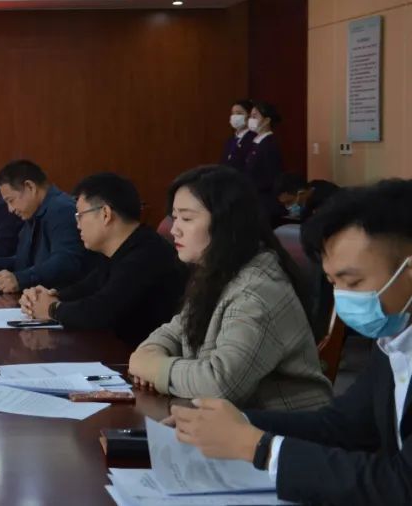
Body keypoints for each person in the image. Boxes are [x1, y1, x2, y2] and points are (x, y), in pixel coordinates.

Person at [167, 178, 412, 504]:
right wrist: (237, 423)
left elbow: (402, 485)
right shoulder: (394, 339)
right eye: (333, 283)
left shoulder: (259, 282)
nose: (342, 299)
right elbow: (344, 426)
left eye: (353, 282)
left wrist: (260, 448)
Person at [127, 165, 331, 410]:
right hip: (234, 420)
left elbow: (220, 385)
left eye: (187, 218)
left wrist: (154, 368)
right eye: (175, 217)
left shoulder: (256, 291)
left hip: (281, 426)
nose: (174, 230)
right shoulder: (218, 272)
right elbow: (177, 330)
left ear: (226, 223)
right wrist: (148, 355)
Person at [19, 173, 186, 348]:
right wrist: (48, 296)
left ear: (105, 214)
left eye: (80, 215)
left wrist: (52, 309)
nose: (77, 225)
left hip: (138, 356)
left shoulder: (147, 254)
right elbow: (87, 287)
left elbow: (101, 311)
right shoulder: (120, 250)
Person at [0, 159, 86, 293]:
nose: (10, 209)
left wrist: (20, 279)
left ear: (30, 187)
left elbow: (66, 262)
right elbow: (23, 262)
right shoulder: (33, 212)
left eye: (11, 200)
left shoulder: (61, 209)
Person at [243, 100, 284, 222]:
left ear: (266, 120)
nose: (251, 120)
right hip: (253, 199)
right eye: (250, 116)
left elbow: (272, 176)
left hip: (264, 202)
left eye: (255, 116)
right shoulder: (256, 142)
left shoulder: (269, 144)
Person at [276, 174, 341, 223]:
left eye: (289, 202)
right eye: (284, 204)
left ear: (301, 193)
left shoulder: (329, 199)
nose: (287, 207)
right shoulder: (308, 200)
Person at [220, 98, 256, 169]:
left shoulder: (253, 139)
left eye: (239, 113)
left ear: (249, 116)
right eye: (233, 113)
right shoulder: (230, 140)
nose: (234, 116)